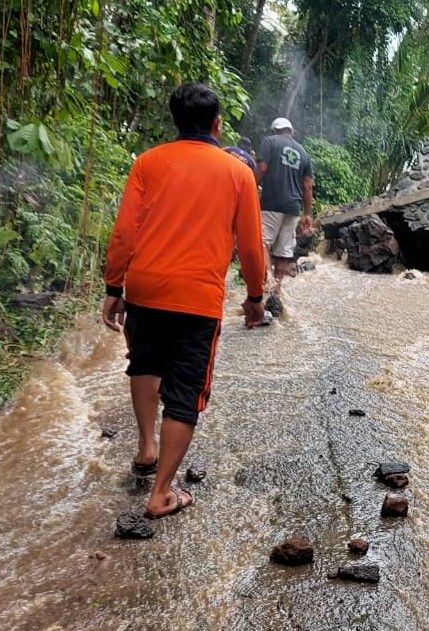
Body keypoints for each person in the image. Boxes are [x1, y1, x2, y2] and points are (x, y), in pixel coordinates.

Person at [102, 83, 266, 519]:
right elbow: (251, 247)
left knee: (144, 363)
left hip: (144, 288)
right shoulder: (238, 173)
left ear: (176, 122)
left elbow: (124, 233)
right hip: (197, 298)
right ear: (217, 124)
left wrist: (113, 286)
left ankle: (145, 447)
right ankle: (161, 494)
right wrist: (254, 296)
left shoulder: (148, 162)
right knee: (186, 392)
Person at [255, 117, 313, 306]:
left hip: (272, 202)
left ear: (275, 130)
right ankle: (277, 291)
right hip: (293, 207)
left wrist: (249, 187)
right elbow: (307, 185)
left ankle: (268, 279)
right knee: (283, 250)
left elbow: (262, 169)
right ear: (291, 131)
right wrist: (307, 213)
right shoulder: (303, 152)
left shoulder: (269, 142)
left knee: (262, 241)